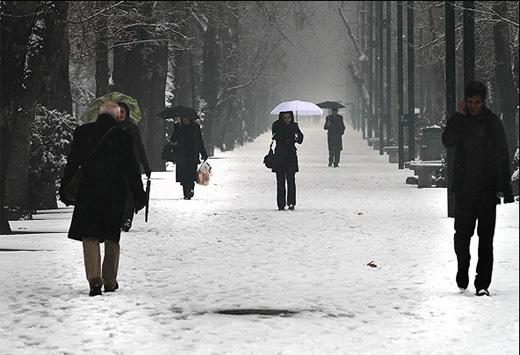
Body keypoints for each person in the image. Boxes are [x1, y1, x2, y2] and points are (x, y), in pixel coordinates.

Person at [59, 102, 147, 296]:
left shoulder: (83, 132)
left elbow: (72, 163)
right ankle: (109, 280)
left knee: (89, 235)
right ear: (117, 118)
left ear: (99, 114)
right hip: (114, 193)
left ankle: (94, 280)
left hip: (89, 192)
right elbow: (132, 169)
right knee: (111, 236)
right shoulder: (123, 137)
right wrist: (139, 195)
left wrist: (64, 187)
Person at [441, 80, 514, 297]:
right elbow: (447, 141)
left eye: (477, 103)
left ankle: (482, 283)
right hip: (464, 189)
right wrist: (459, 117)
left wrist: (506, 189)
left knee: (486, 239)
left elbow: (503, 154)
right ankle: (463, 267)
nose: (474, 107)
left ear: (484, 101)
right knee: (462, 236)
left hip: (486, 190)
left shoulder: (492, 123)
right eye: (470, 102)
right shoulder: (461, 121)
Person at [117, 102, 152, 232]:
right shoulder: (111, 128)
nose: (120, 115)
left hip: (131, 166)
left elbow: (140, 147)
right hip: (114, 166)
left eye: (122, 112)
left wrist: (146, 166)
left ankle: (127, 219)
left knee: (130, 193)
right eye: (118, 111)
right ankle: (119, 218)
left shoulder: (132, 128)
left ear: (127, 113)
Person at [271, 111, 304, 210]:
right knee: (280, 181)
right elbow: (275, 137)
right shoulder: (276, 125)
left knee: (291, 180)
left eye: (289, 117)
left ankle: (291, 202)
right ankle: (281, 203)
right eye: (285, 118)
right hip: (280, 156)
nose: (287, 120)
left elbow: (300, 140)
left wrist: (296, 136)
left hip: (290, 156)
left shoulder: (294, 126)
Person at [170, 116, 208, 199]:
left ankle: (190, 190)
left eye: (187, 118)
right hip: (181, 154)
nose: (185, 120)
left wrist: (203, 153)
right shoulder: (178, 126)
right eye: (184, 118)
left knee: (191, 173)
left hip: (192, 154)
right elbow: (173, 139)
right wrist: (177, 130)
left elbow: (199, 140)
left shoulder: (195, 127)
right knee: (183, 174)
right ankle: (186, 192)